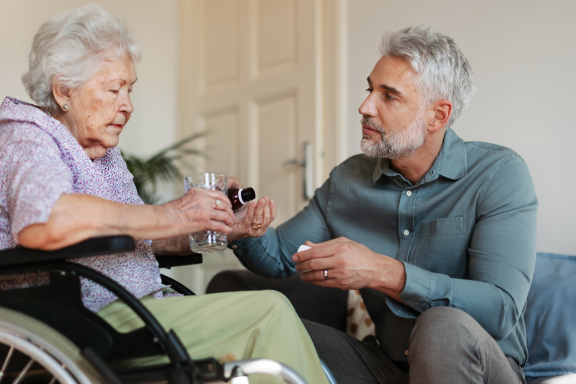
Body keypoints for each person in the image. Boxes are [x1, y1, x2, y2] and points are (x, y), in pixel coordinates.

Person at [0, 4, 329, 384]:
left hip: (133, 309)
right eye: (113, 89)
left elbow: (140, 236)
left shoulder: (103, 154)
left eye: (130, 89)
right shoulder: (19, 135)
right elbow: (45, 221)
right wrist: (176, 213)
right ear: (63, 90)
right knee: (269, 312)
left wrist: (220, 228)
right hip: (77, 318)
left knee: (259, 342)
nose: (127, 105)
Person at [229, 25, 537, 384]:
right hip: (388, 366)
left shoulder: (497, 174)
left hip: (483, 368)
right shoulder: (348, 180)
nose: (364, 107)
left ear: (438, 115)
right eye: (369, 89)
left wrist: (381, 271)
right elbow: (281, 257)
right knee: (264, 322)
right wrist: (242, 227)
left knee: (440, 326)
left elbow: (500, 309)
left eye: (388, 96)